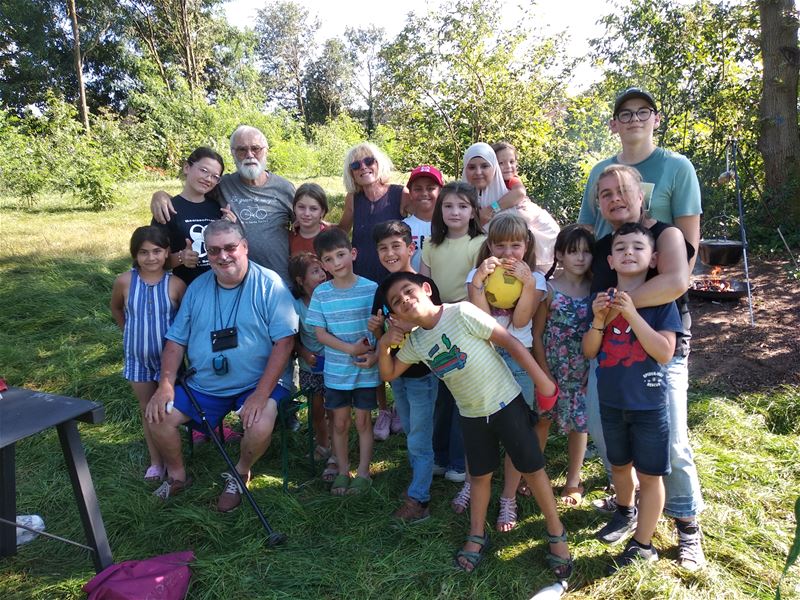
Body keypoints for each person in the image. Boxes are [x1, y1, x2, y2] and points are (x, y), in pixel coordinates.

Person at [578, 86, 706, 571]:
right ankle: (627, 509)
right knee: (607, 433)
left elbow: (676, 281)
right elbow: (576, 270)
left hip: (660, 346)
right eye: (604, 195)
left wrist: (617, 307)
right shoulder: (607, 248)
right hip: (611, 353)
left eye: (622, 193)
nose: (613, 200)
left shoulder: (662, 236)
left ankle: (686, 523)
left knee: (670, 440)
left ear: (641, 196)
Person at [376, 272, 572, 580]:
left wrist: (543, 382)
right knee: (478, 477)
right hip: (471, 416)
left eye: (408, 292)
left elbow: (510, 342)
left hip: (507, 405)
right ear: (395, 314)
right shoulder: (414, 343)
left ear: (426, 289)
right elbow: (388, 374)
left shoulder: (461, 312)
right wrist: (386, 344)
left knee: (533, 471)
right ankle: (477, 534)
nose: (405, 301)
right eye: (396, 302)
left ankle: (556, 533)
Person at [144, 220, 298, 512]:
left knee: (260, 420)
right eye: (214, 250)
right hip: (205, 383)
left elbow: (285, 344)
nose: (223, 256)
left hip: (257, 381)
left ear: (245, 247)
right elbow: (175, 342)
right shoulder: (198, 287)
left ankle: (239, 473)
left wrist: (261, 393)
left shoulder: (269, 285)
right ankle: (177, 476)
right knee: (158, 417)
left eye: (230, 247)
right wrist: (165, 385)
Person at [583, 223, 683, 572]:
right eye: (621, 247)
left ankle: (643, 543)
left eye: (637, 247)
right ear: (609, 260)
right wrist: (599, 319)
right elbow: (589, 350)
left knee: (650, 475)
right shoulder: (603, 302)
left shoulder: (662, 302)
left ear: (653, 257)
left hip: (648, 406)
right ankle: (624, 512)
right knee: (620, 467)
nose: (628, 252)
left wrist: (631, 314)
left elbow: (665, 352)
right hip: (612, 403)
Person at [466, 213, 547, 532]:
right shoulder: (477, 273)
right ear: (489, 247)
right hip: (484, 357)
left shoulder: (537, 279)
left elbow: (523, 321)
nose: (508, 253)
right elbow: (481, 323)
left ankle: (508, 497)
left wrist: (527, 283)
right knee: (479, 428)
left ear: (526, 246)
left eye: (516, 245)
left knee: (518, 433)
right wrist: (477, 284)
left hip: (519, 359)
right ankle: (473, 485)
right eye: (500, 246)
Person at [151, 126, 295, 283]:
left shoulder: (284, 188)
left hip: (280, 279)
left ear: (266, 150)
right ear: (233, 153)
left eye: (256, 148)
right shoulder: (223, 185)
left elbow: (304, 221)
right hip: (237, 283)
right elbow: (190, 200)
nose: (249, 155)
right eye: (241, 150)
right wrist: (160, 195)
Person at [368, 221, 441, 522]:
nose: (390, 253)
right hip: (397, 375)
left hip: (423, 374)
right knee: (411, 430)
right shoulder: (382, 291)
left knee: (419, 437)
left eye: (396, 246)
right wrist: (377, 331)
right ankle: (418, 478)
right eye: (383, 248)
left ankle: (419, 499)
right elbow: (382, 334)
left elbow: (434, 323)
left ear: (411, 248)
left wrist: (409, 326)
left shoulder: (424, 284)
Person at [337, 142, 410, 440]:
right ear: (351, 173)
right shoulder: (353, 199)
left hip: (397, 278)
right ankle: (384, 410)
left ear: (379, 163)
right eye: (356, 165)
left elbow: (426, 215)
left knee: (403, 340)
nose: (364, 167)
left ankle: (404, 408)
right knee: (376, 340)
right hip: (366, 280)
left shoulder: (399, 193)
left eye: (369, 161)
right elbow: (341, 230)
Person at [419, 181, 486, 487]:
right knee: (441, 398)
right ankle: (439, 456)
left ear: (473, 211)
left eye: (462, 206)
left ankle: (459, 462)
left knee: (464, 398)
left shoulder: (480, 244)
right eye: (448, 206)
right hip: (436, 325)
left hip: (468, 326)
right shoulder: (431, 246)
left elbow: (481, 289)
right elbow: (424, 287)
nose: (455, 212)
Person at [306, 228, 380, 496]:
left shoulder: (371, 289)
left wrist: (374, 352)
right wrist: (349, 348)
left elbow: (380, 329)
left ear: (353, 253)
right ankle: (342, 471)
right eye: (329, 259)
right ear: (322, 264)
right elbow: (319, 333)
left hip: (365, 369)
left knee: (362, 422)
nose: (336, 263)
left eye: (341, 255)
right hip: (336, 371)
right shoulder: (322, 294)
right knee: (338, 423)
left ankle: (363, 472)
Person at [110, 226, 186, 482]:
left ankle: (174, 454)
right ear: (135, 254)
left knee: (164, 409)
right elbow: (117, 309)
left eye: (156, 251)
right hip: (137, 359)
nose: (150, 258)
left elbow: (183, 322)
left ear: (166, 253)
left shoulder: (176, 284)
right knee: (147, 410)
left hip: (168, 361)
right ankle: (156, 462)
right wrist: (129, 332)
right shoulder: (124, 281)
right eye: (143, 252)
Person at [532, 224, 595, 506]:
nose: (580, 258)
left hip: (583, 370)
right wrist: (543, 370)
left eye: (586, 252)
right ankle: (533, 474)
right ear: (559, 254)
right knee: (542, 420)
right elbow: (537, 333)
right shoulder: (549, 290)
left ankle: (573, 480)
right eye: (572, 252)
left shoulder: (596, 290)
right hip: (552, 369)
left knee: (579, 425)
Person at [462, 142, 559, 273]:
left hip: (538, 235)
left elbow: (519, 194)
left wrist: (491, 209)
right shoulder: (464, 194)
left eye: (485, 166)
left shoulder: (511, 182)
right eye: (501, 163)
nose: (507, 167)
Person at [155, 147, 234, 286]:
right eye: (204, 170)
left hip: (220, 287)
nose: (208, 179)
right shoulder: (168, 208)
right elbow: (154, 259)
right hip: (187, 290)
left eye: (215, 176)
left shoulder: (217, 208)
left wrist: (229, 229)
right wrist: (180, 258)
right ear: (187, 167)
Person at [288, 252, 334, 480]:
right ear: (300, 280)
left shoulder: (331, 297)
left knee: (336, 408)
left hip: (335, 365)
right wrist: (304, 352)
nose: (322, 274)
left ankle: (336, 449)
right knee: (317, 409)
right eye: (315, 271)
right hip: (311, 366)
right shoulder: (296, 306)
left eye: (322, 269)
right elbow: (291, 338)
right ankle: (322, 443)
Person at [404, 165, 442, 272]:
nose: (424, 193)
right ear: (410, 193)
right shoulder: (403, 228)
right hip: (414, 285)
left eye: (430, 188)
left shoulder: (449, 225)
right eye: (418, 189)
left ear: (440, 191)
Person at [290, 183, 328, 257]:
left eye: (313, 209)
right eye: (301, 207)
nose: (306, 213)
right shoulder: (289, 238)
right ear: (294, 208)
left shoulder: (331, 238)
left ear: (322, 212)